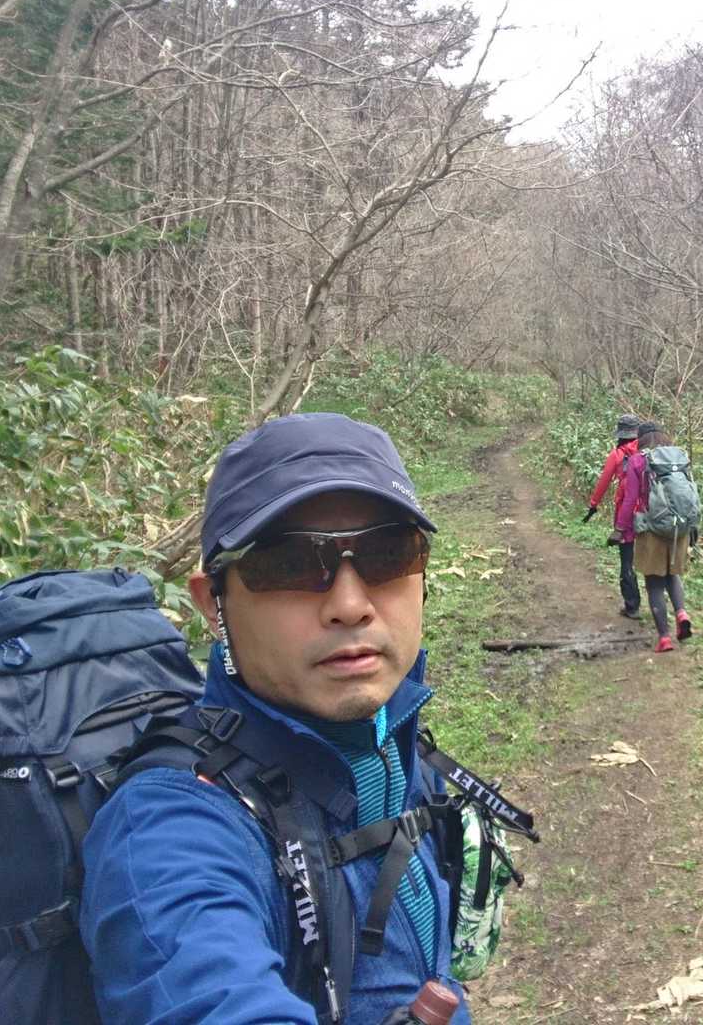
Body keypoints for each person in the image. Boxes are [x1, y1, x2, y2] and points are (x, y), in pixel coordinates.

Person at [79, 413, 472, 1025]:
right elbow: (205, 990)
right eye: (290, 563)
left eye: (387, 554)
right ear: (213, 604)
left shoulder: (391, 736)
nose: (350, 606)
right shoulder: (169, 827)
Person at [623, 421, 694, 653]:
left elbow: (630, 499)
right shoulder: (678, 457)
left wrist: (621, 527)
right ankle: (681, 613)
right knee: (673, 574)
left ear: (641, 439)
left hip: (652, 529)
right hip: (679, 528)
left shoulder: (637, 460)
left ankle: (664, 638)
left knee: (654, 582)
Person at [582, 411, 641, 617]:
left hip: (626, 513)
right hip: (650, 511)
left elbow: (603, 482)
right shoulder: (647, 452)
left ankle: (632, 605)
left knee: (627, 560)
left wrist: (593, 504)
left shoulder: (617, 455)